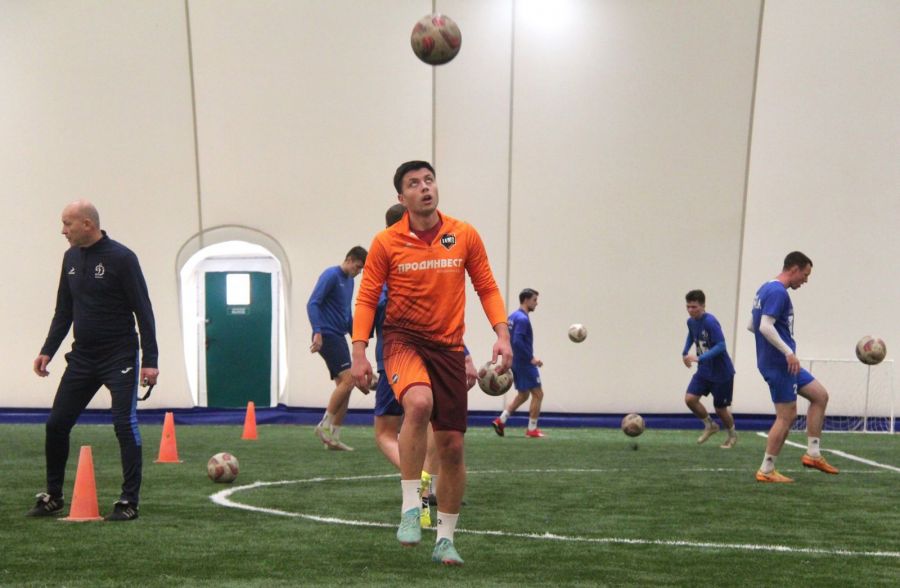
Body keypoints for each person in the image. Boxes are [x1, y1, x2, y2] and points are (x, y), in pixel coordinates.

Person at [351, 161, 512, 566]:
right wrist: (359, 350)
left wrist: (502, 333)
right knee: (418, 404)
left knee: (452, 446)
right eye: (414, 183)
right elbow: (367, 299)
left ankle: (445, 539)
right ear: (401, 197)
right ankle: (411, 508)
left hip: (448, 348)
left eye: (429, 180)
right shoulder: (386, 242)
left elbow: (486, 286)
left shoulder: (463, 234)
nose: (424, 187)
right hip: (403, 342)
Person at [28, 200, 158, 521]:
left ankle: (129, 501)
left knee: (124, 424)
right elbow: (64, 311)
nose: (63, 231)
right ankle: (54, 496)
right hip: (83, 358)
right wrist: (47, 350)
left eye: (67, 224)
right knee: (56, 424)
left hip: (120, 356)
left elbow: (143, 311)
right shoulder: (70, 258)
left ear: (87, 224)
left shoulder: (123, 258)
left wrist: (150, 360)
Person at [371, 204, 479, 529]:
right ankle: (428, 482)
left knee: (385, 433)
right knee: (432, 422)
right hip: (440, 358)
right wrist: (464, 355)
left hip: (397, 361)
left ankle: (418, 479)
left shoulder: (388, 264)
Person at [749, 251, 839, 483]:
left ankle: (813, 454)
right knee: (786, 416)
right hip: (780, 364)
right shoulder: (778, 292)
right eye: (805, 275)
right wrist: (787, 352)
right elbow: (764, 327)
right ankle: (766, 470)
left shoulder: (764, 288)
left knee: (820, 396)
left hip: (780, 363)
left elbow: (752, 324)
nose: (805, 280)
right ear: (794, 269)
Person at [307, 246, 368, 451]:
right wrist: (317, 331)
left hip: (338, 336)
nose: (358, 272)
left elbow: (347, 314)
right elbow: (312, 303)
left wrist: (358, 339)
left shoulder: (350, 281)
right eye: (357, 267)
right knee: (349, 380)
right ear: (349, 260)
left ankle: (333, 436)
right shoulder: (331, 275)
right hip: (327, 334)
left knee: (345, 385)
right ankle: (324, 425)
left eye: (361, 269)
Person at [681, 290, 737, 448]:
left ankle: (732, 435)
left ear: (703, 306)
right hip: (704, 371)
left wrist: (700, 358)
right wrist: (685, 352)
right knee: (690, 399)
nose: (690, 310)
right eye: (688, 307)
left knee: (720, 409)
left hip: (721, 373)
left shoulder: (710, 322)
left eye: (694, 307)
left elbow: (721, 345)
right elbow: (691, 335)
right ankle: (710, 425)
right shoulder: (691, 322)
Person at [492, 288, 547, 438]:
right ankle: (532, 429)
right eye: (534, 300)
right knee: (538, 394)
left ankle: (501, 420)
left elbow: (508, 338)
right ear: (526, 300)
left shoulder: (512, 317)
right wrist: (531, 358)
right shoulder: (523, 319)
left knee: (523, 395)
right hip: (524, 362)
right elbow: (517, 341)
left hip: (515, 361)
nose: (536, 303)